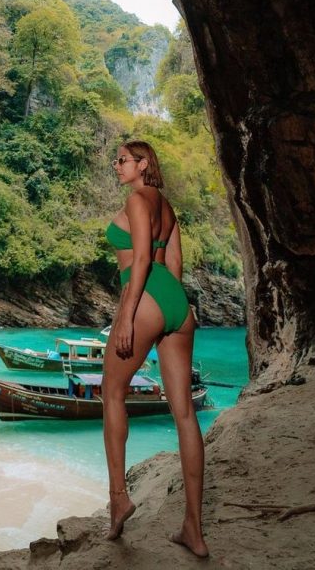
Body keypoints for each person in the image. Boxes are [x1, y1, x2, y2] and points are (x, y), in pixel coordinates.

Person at [103, 139, 208, 558]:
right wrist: (174, 310)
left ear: (143, 164)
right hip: (175, 302)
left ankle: (118, 500)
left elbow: (142, 259)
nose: (118, 165)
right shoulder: (167, 207)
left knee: (111, 392)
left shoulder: (137, 200)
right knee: (184, 412)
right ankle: (194, 531)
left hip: (143, 293)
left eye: (124, 160)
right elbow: (174, 264)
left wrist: (128, 316)